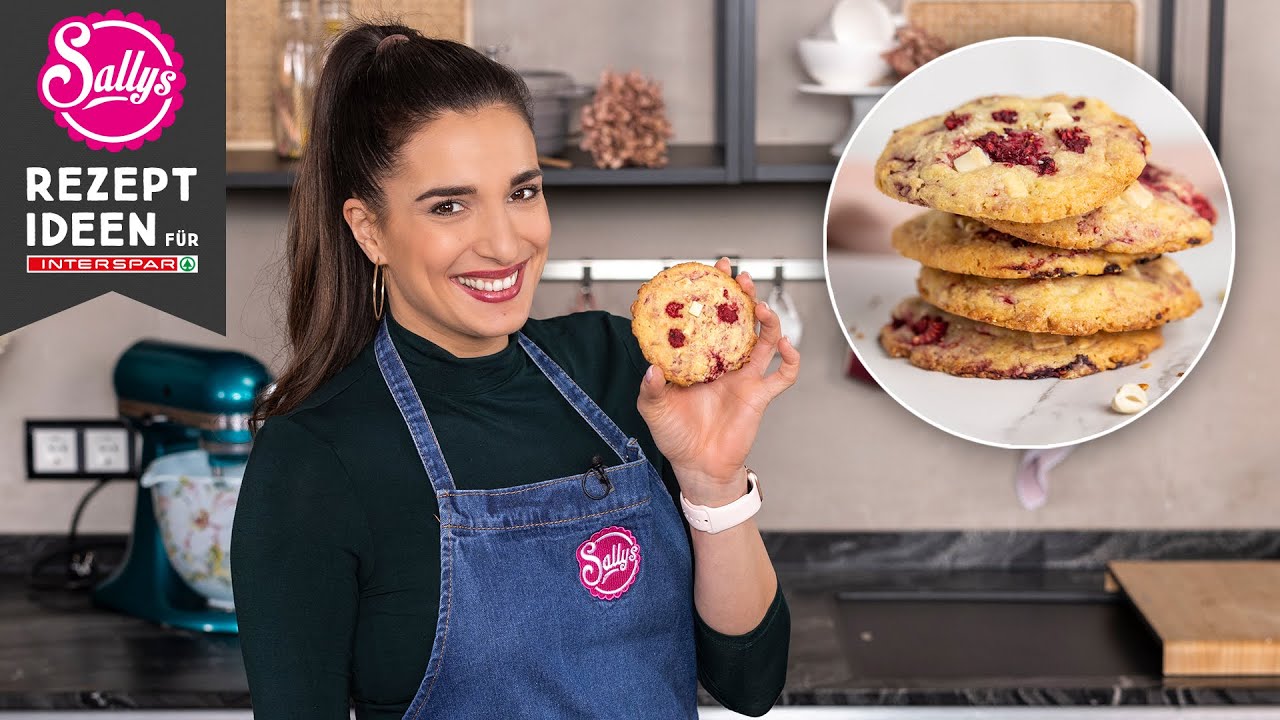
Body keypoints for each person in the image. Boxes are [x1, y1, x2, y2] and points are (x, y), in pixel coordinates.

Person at [230, 23, 800, 719]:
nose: (504, 243)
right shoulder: (314, 459)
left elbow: (751, 682)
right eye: (449, 205)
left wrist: (714, 484)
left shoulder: (621, 369)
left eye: (522, 193)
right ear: (368, 229)